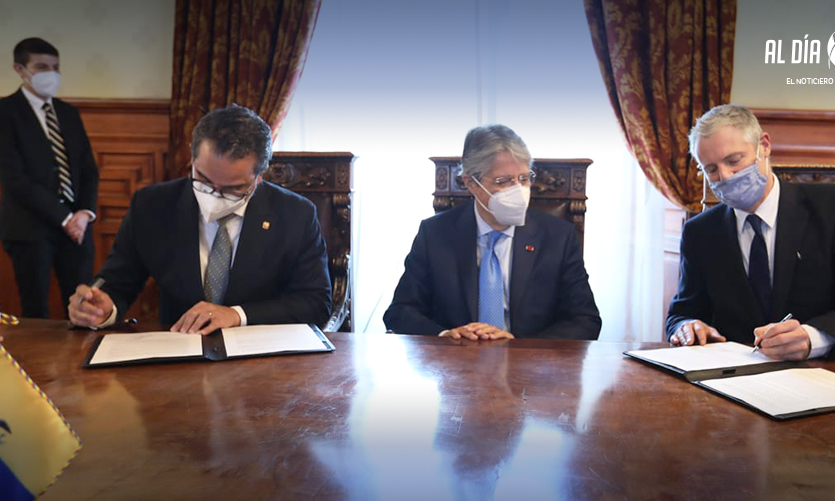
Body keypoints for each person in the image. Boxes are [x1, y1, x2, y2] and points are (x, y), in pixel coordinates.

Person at [67, 105, 332, 333]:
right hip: (181, 349)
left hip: (260, 356)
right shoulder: (151, 206)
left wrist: (237, 315)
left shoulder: (296, 215)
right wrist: (101, 309)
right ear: (192, 158)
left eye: (233, 189)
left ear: (259, 177)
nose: (215, 196)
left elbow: (315, 303)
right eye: (204, 180)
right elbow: (117, 282)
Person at [665, 104, 835, 360]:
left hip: (821, 371)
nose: (725, 176)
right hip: (733, 373)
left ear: (764, 146)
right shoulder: (700, 232)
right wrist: (686, 326)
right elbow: (682, 313)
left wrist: (813, 338)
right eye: (711, 169)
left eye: (733, 161)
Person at [383, 124, 601, 340]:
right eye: (503, 181)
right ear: (471, 183)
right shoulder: (435, 234)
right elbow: (400, 312)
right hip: (457, 358)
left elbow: (586, 321)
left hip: (528, 360)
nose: (518, 190)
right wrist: (445, 336)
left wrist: (519, 347)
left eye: (524, 179)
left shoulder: (558, 237)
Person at [0, 38, 98, 318]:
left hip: (78, 228)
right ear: (20, 69)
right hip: (29, 228)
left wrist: (84, 213)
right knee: (35, 311)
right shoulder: (5, 112)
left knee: (82, 307)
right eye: (42, 67)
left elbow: (88, 169)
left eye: (56, 67)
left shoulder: (68, 113)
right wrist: (64, 218)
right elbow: (14, 178)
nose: (51, 74)